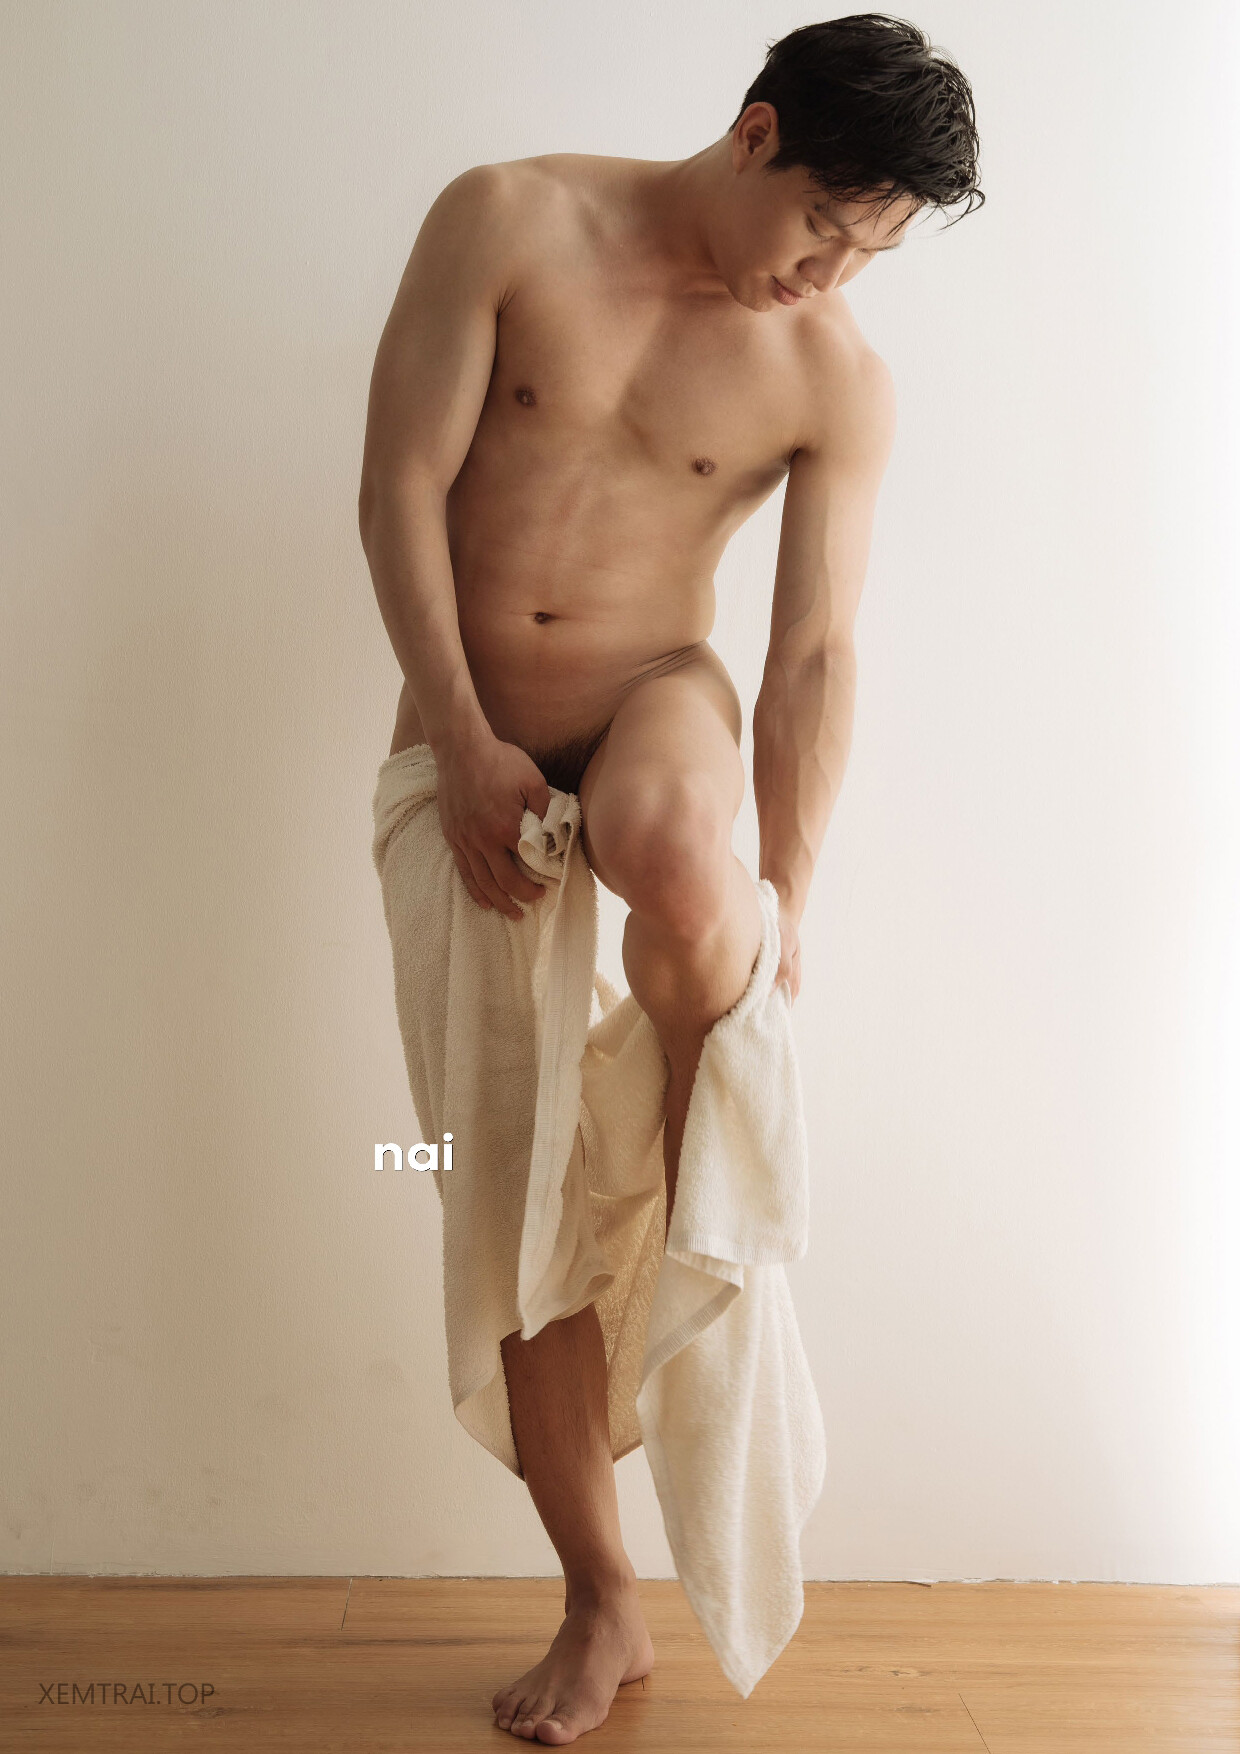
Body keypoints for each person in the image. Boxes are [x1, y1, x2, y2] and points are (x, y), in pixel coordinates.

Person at [358, 12, 982, 1743]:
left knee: (679, 857)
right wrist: (465, 744)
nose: (829, 275)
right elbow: (398, 483)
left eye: (871, 256)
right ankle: (600, 1599)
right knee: (504, 1204)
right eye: (825, 226)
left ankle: (707, 1115)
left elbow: (812, 655)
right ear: (755, 131)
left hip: (658, 699)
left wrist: (792, 896)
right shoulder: (505, 220)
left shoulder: (832, 373)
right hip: (466, 729)